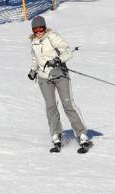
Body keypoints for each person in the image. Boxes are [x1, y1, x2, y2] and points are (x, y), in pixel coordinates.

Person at [27, 15, 91, 153]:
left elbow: (67, 51)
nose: (38, 31)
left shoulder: (52, 37)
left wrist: (57, 60)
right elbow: (34, 58)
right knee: (50, 106)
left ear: (44, 27)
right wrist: (33, 70)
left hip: (60, 75)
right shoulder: (33, 42)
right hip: (44, 78)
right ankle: (56, 136)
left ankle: (82, 135)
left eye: (40, 28)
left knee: (68, 104)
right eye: (35, 29)